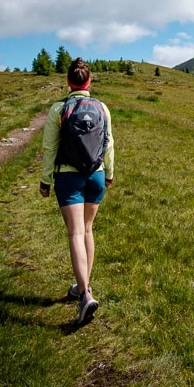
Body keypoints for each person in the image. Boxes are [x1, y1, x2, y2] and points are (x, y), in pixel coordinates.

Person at [39, 57, 114, 325]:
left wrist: (45, 180)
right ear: (89, 81)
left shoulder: (59, 108)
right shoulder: (102, 108)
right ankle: (84, 286)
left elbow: (50, 148)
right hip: (95, 175)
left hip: (68, 178)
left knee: (75, 233)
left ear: (69, 82)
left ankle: (84, 294)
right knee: (88, 230)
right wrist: (110, 173)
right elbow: (108, 144)